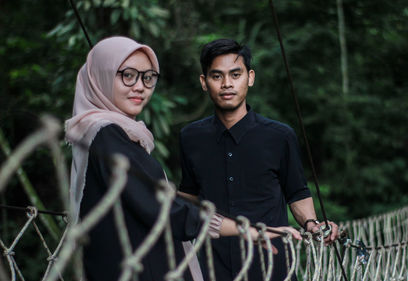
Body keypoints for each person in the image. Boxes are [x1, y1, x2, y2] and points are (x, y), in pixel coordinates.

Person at [65, 36, 300, 281]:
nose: (140, 86)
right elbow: (161, 206)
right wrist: (244, 230)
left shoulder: (111, 133)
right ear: (101, 76)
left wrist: (313, 224)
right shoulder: (106, 134)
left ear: (250, 77)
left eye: (147, 77)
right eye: (127, 75)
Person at [178, 38, 339, 281]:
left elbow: (296, 192)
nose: (227, 84)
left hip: (273, 269)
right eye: (217, 76)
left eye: (235, 74)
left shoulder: (280, 136)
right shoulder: (190, 137)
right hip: (213, 269)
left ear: (250, 77)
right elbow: (188, 197)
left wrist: (312, 224)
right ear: (204, 82)